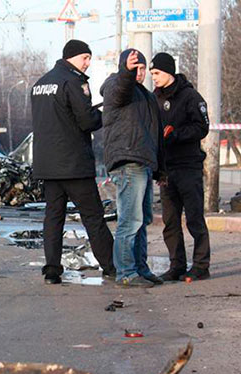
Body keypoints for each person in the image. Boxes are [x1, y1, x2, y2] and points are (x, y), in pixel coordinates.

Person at [30, 39, 115, 284]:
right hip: (74, 163)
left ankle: (52, 271)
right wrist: (103, 114)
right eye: (85, 58)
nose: (88, 64)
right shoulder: (73, 81)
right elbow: (87, 121)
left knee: (53, 218)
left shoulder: (40, 83)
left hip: (48, 165)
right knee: (93, 217)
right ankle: (110, 266)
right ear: (71, 57)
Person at [100, 48, 166, 287]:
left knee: (143, 219)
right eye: (135, 68)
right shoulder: (116, 86)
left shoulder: (146, 96)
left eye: (142, 69)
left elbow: (154, 135)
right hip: (128, 161)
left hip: (144, 162)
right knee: (130, 220)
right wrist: (126, 72)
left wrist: (161, 170)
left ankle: (140, 268)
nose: (139, 73)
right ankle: (126, 273)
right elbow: (121, 89)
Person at [150, 52, 211, 282]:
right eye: (152, 73)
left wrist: (177, 134)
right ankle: (177, 265)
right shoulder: (153, 99)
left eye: (157, 73)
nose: (153, 77)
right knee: (170, 221)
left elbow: (202, 127)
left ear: (168, 72)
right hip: (167, 169)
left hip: (188, 166)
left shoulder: (190, 96)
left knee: (195, 218)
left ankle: (201, 266)